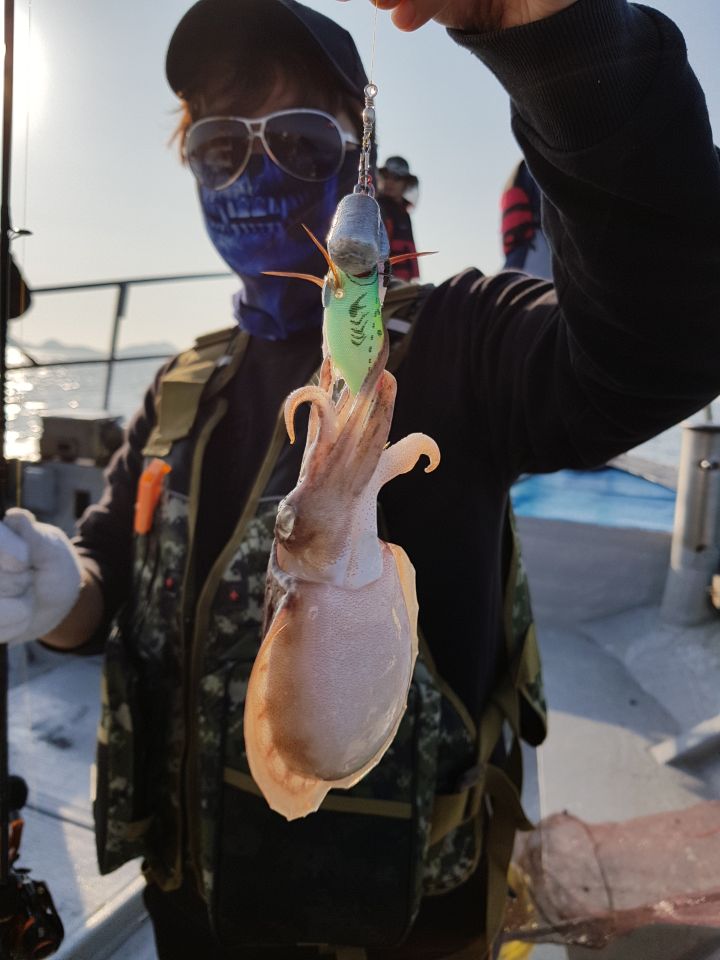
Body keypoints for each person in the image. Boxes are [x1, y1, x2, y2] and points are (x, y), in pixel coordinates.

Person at [1, 0, 719, 957]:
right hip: (192, 914)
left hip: (405, 933)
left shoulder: (463, 341)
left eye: (298, 139)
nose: (254, 172)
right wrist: (55, 590)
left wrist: (562, 37)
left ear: (356, 158)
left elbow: (666, 337)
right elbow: (105, 589)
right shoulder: (179, 391)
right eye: (219, 147)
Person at [376, 155, 421, 281]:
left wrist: (412, 282)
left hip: (404, 285)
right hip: (383, 283)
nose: (390, 182)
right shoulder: (376, 208)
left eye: (396, 178)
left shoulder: (404, 214)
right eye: (386, 176)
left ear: (406, 184)